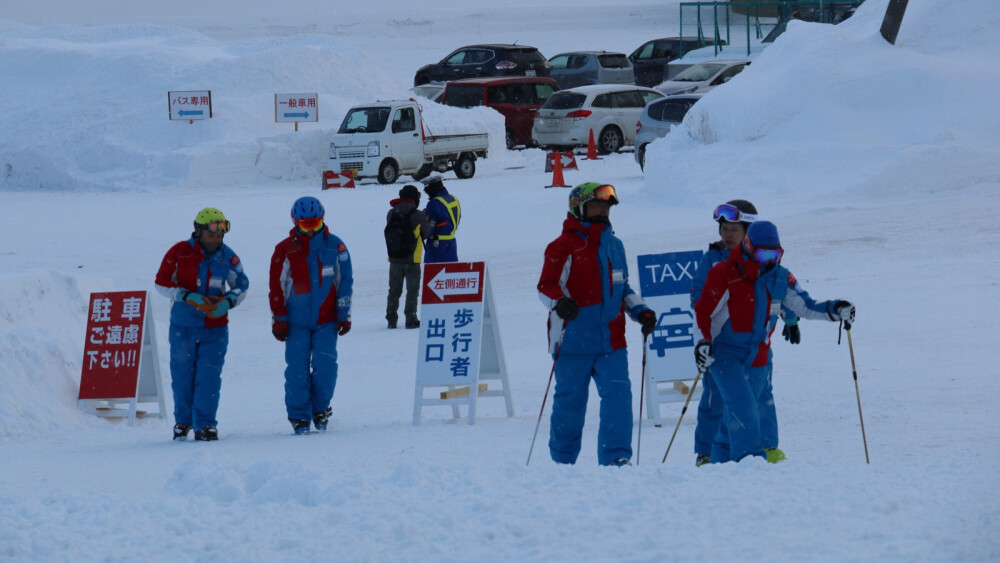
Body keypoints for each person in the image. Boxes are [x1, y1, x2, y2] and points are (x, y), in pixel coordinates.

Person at [693, 220, 855, 463]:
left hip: (758, 354)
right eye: (762, 253)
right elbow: (702, 311)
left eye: (774, 254)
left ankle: (720, 466)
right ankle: (751, 465)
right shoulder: (724, 273)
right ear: (748, 246)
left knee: (738, 416)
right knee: (744, 409)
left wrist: (835, 309)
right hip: (725, 352)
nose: (768, 260)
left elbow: (806, 306)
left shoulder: (780, 277)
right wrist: (702, 342)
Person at [537, 182, 657, 466]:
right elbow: (546, 286)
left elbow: (622, 287)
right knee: (570, 405)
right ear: (579, 208)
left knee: (618, 399)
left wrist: (641, 311)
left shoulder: (615, 245)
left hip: (611, 342)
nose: (603, 212)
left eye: (606, 207)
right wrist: (560, 302)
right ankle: (562, 462)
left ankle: (617, 460)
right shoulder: (562, 246)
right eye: (596, 206)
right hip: (572, 342)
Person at [689, 200, 799, 466]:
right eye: (724, 228)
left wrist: (791, 318)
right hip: (723, 345)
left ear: (748, 232)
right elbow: (699, 297)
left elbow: (779, 290)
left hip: (757, 342)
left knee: (761, 394)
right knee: (716, 396)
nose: (727, 234)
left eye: (733, 229)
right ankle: (708, 451)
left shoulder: (763, 257)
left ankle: (767, 445)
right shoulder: (713, 258)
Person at [155, 207, 249, 441]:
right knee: (182, 376)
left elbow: (242, 285)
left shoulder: (228, 256)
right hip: (183, 326)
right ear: (198, 231)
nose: (216, 239)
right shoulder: (178, 252)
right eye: (211, 234)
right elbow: (160, 283)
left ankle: (205, 424)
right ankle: (183, 422)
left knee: (208, 377)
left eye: (220, 234)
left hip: (214, 329)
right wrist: (184, 295)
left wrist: (229, 300)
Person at [269, 196, 354, 435]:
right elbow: (277, 286)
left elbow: (345, 281)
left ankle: (321, 408)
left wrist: (344, 312)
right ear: (295, 222)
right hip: (296, 324)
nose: (310, 230)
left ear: (323, 220)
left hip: (326, 321)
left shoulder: (335, 247)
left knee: (325, 367)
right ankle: (299, 415)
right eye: (305, 225)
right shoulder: (284, 249)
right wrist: (279, 319)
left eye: (315, 224)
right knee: (296, 370)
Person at [385, 184, 432, 329]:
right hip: (412, 259)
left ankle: (391, 319)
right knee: (412, 291)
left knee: (394, 291)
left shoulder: (391, 213)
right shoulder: (417, 215)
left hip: (394, 259)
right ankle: (410, 318)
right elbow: (427, 232)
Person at [421, 175, 461, 263]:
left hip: (436, 250)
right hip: (451, 246)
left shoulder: (434, 203)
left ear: (433, 188)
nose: (425, 192)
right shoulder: (454, 199)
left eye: (426, 189)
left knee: (434, 276)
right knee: (450, 274)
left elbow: (427, 231)